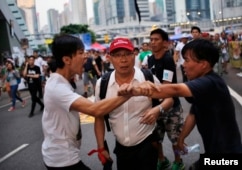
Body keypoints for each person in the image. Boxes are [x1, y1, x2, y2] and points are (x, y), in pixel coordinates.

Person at [118, 39, 242, 169]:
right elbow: (193, 114)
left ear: (204, 64)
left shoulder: (211, 82)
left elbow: (176, 89)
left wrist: (138, 90)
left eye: (187, 60)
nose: (183, 65)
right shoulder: (202, 87)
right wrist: (181, 138)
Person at [41, 34, 131, 170]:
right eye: (81, 53)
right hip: (62, 160)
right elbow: (96, 110)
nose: (86, 57)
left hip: (62, 156)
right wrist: (129, 94)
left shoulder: (61, 83)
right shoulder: (57, 88)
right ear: (66, 59)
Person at [94, 37, 174, 170]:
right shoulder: (102, 84)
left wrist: (158, 109)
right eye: (118, 55)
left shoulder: (147, 77)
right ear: (110, 58)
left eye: (127, 54)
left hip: (147, 144)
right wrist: (101, 147)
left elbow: (169, 98)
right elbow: (99, 116)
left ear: (134, 55)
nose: (123, 60)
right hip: (121, 148)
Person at [147, 28, 185, 170]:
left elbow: (166, 86)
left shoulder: (168, 59)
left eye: (156, 39)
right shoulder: (149, 59)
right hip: (155, 106)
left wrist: (149, 91)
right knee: (155, 139)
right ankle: (162, 160)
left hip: (171, 107)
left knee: (175, 138)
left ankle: (178, 161)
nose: (153, 42)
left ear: (165, 43)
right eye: (151, 39)